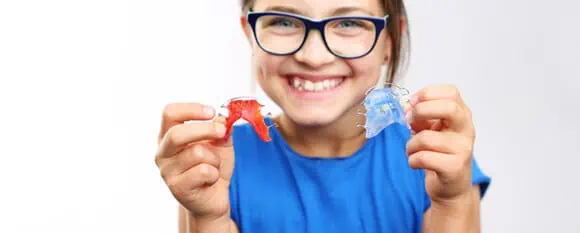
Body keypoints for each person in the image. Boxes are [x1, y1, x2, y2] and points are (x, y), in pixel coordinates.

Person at [154, 0, 492, 232]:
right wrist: (207, 217)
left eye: (348, 22)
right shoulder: (218, 165)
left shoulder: (433, 158)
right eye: (284, 21)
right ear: (249, 33)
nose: (313, 56)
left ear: (390, 39)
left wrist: (452, 199)